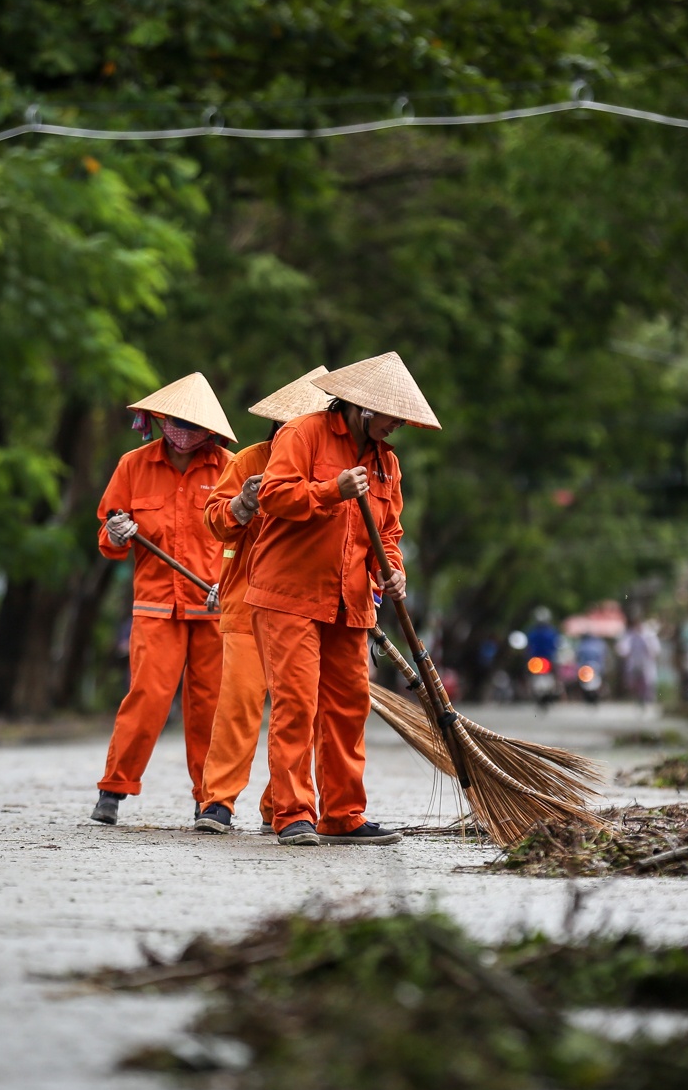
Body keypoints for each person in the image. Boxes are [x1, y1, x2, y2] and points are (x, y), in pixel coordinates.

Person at [247, 350, 439, 845]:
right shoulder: (302, 433)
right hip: (288, 594)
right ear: (364, 407)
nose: (397, 425)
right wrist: (330, 489)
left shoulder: (386, 464)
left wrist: (392, 571)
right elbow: (272, 496)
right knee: (296, 704)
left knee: (349, 707)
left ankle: (343, 815)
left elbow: (388, 532)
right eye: (393, 415)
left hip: (349, 602)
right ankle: (293, 814)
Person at [90, 372, 235, 826]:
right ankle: (113, 790)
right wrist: (116, 532)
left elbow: (248, 536)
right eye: (174, 421)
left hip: (214, 608)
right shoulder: (132, 466)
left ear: (209, 430)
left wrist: (229, 582)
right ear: (159, 418)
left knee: (210, 707)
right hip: (156, 608)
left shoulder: (231, 467)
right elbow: (109, 536)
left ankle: (210, 801)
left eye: (191, 424)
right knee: (147, 697)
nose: (181, 430)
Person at [194, 366, 330, 833]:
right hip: (246, 603)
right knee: (239, 705)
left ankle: (282, 807)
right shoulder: (249, 462)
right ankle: (217, 802)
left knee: (300, 709)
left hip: (305, 607)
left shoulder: (332, 467)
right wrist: (243, 505)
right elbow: (214, 522)